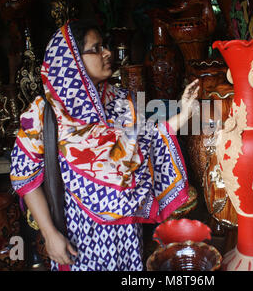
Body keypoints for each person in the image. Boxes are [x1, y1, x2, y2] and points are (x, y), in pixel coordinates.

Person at [10, 19, 199, 271]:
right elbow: (25, 177)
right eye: (96, 48)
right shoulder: (46, 112)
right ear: (71, 59)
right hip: (78, 239)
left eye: (105, 46)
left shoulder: (121, 101)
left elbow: (148, 139)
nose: (107, 52)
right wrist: (49, 234)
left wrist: (183, 114)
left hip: (127, 236)